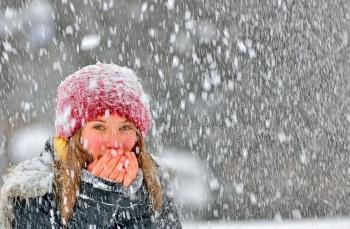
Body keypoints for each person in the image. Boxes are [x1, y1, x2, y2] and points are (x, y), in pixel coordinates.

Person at [0, 63, 182, 228]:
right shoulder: (34, 192)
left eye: (125, 127)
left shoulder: (154, 184)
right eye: (99, 127)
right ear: (73, 136)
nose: (115, 142)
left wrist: (134, 199)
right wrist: (99, 200)